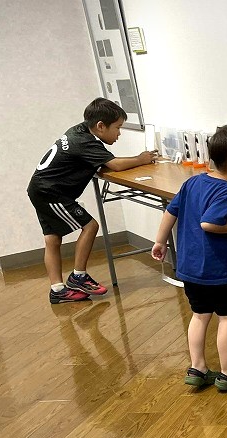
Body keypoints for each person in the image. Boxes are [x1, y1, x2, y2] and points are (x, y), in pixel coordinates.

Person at [151, 124, 227, 393]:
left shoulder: (192, 182)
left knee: (199, 316)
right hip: (218, 271)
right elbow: (209, 224)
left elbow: (170, 211)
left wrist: (160, 241)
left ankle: (197, 368)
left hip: (189, 269)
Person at [28, 98, 157, 304]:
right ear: (100, 126)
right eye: (118, 128)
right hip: (51, 192)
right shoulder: (85, 142)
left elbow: (98, 161)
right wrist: (141, 159)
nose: (119, 133)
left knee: (52, 239)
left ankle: (57, 289)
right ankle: (78, 276)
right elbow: (114, 165)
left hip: (40, 189)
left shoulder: (78, 131)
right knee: (90, 226)